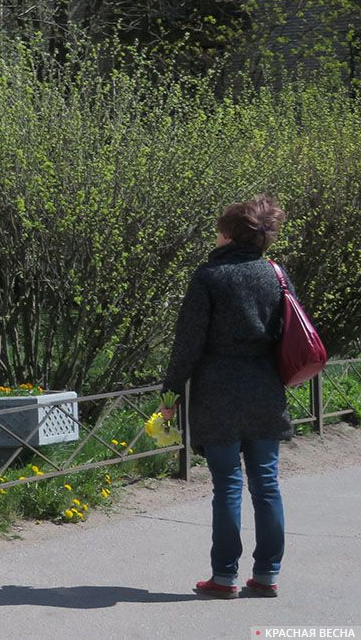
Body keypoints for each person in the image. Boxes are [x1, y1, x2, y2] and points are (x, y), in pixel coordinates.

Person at [161, 195, 293, 599]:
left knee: (227, 485)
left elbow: (188, 342)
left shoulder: (209, 277)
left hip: (218, 388)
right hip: (265, 388)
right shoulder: (275, 273)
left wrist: (171, 392)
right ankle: (267, 574)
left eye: (220, 227)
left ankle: (224, 577)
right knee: (266, 483)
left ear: (229, 233)